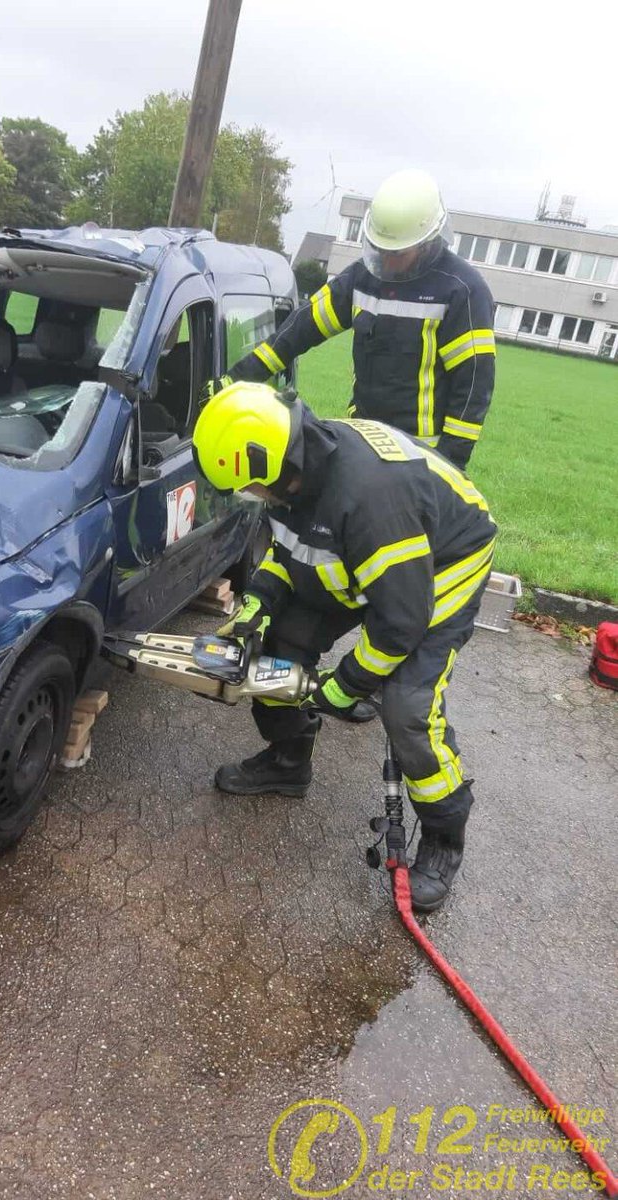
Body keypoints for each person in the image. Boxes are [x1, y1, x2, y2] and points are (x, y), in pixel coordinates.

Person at [191, 381, 498, 911]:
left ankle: (445, 835)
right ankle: (289, 762)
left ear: (279, 466)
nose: (251, 498)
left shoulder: (369, 501)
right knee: (277, 651)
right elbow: (286, 554)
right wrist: (260, 603)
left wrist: (346, 685)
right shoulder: (292, 474)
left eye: (251, 489)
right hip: (367, 559)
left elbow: (400, 623)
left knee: (407, 709)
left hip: (443, 560)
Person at [205, 169, 496, 471]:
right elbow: (299, 330)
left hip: (421, 457)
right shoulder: (363, 279)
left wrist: (449, 466)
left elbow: (474, 386)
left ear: (426, 243)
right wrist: (236, 378)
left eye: (397, 253)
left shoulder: (462, 291)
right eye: (381, 250)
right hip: (364, 442)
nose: (387, 261)